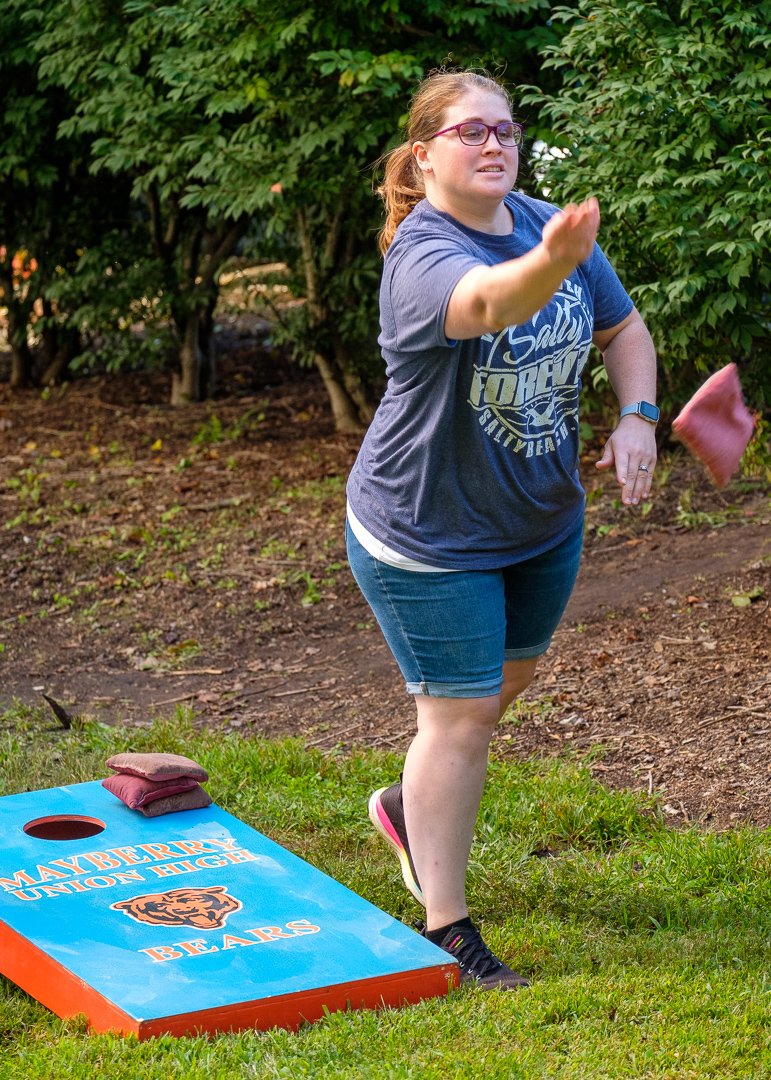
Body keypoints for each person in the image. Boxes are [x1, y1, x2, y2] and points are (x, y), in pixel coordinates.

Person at [345, 68, 658, 990]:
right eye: (471, 132)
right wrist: (555, 260)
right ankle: (447, 926)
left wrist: (637, 417)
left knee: (497, 689)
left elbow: (623, 328)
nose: (495, 145)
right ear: (424, 153)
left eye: (506, 131)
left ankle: (411, 805)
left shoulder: (540, 220)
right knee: (462, 713)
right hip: (426, 532)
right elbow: (490, 304)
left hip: (540, 519)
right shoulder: (422, 255)